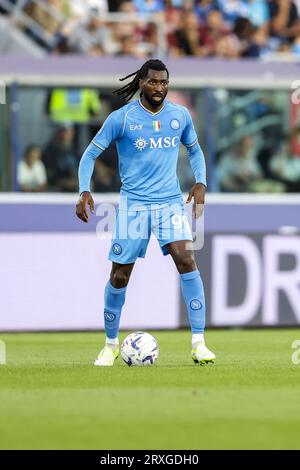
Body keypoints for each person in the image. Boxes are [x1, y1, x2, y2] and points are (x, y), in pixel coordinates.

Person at [76, 59, 215, 366]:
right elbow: (90, 154)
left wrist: (201, 181)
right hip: (134, 205)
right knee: (120, 275)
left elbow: (194, 149)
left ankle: (199, 343)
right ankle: (110, 344)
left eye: (164, 83)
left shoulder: (180, 116)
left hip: (169, 203)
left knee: (186, 258)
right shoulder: (122, 119)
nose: (159, 88)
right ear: (142, 82)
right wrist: (84, 189)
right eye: (153, 82)